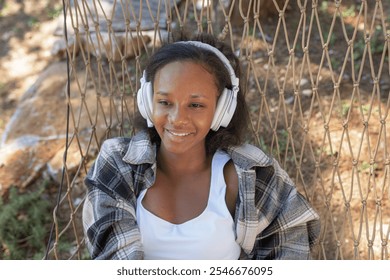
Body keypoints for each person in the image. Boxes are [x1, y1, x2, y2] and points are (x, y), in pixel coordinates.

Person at [82, 32, 320, 260]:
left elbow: (290, 250)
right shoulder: (117, 163)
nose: (177, 118)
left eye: (195, 105)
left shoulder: (254, 175)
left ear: (221, 111)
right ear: (146, 101)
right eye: (164, 102)